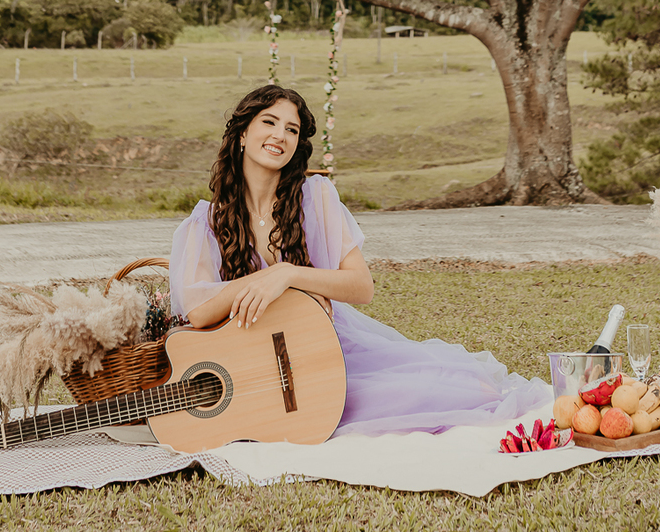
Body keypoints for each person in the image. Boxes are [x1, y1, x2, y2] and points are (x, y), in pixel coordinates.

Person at [169, 83, 550, 438]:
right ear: (241, 134)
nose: (279, 136)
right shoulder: (206, 220)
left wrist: (287, 273)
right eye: (268, 122)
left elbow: (360, 287)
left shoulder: (315, 197)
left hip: (328, 346)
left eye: (291, 130)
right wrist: (260, 282)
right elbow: (199, 311)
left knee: (453, 391)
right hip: (254, 366)